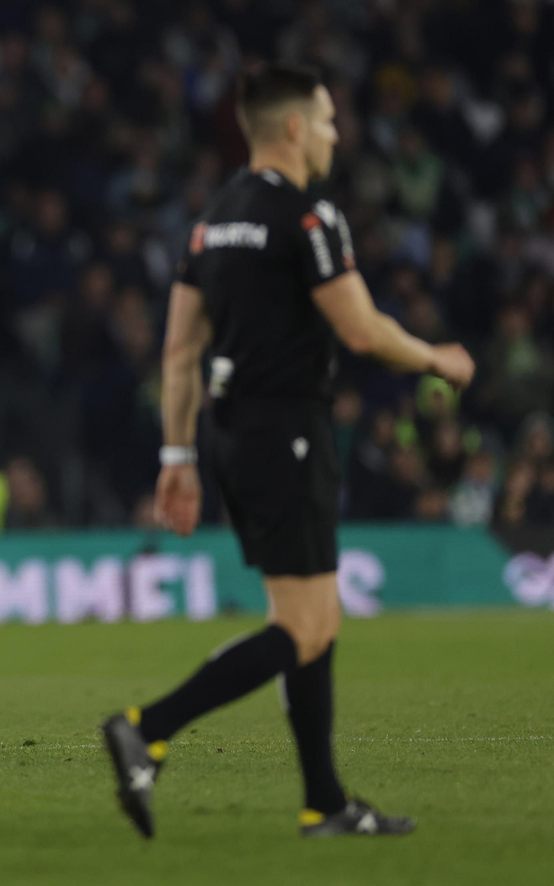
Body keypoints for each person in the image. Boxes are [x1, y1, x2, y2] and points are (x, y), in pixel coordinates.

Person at [99, 65, 476, 839]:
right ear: (295, 128)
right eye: (330, 121)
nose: (337, 134)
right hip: (289, 432)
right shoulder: (308, 218)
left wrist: (177, 459)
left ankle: (325, 802)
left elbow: (177, 354)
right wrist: (438, 358)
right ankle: (149, 726)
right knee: (304, 627)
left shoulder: (213, 220)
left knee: (314, 620)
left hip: (236, 434)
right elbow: (363, 331)